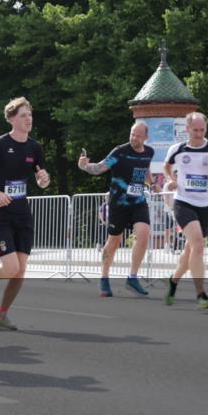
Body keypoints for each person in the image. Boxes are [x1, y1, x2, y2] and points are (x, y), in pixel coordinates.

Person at [0, 97, 50, 331]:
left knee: (20, 270)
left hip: (23, 215)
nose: (29, 119)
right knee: (11, 267)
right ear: (12, 119)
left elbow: (41, 177)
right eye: (24, 115)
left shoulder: (34, 147)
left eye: (30, 115)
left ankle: (1, 315)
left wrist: (43, 180)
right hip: (1, 214)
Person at [163, 112, 208, 309]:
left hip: (207, 204)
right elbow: (166, 166)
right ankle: (201, 295)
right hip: (184, 202)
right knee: (198, 245)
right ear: (187, 129)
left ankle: (173, 281)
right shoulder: (178, 149)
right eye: (195, 130)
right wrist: (171, 180)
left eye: (202, 130)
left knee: (190, 251)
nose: (199, 134)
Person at [78, 121, 158, 297]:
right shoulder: (120, 151)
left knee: (144, 233)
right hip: (118, 204)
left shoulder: (149, 152)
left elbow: (144, 170)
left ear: (146, 137)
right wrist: (84, 166)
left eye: (138, 135)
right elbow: (99, 168)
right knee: (114, 241)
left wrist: (152, 183)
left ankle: (132, 277)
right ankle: (104, 278)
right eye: (132, 134)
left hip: (138, 201)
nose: (134, 138)